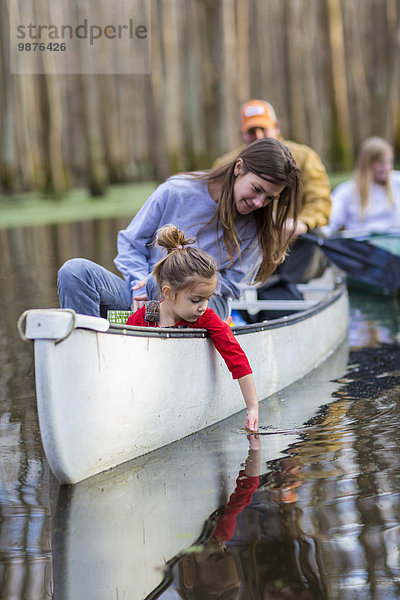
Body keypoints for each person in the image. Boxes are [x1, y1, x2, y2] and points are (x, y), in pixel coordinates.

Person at [58, 137, 302, 321]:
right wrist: (140, 284)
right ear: (239, 168)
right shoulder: (176, 191)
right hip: (145, 294)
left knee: (164, 283)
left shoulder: (260, 226)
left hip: (203, 308)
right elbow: (131, 244)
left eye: (270, 198)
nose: (260, 203)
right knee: (75, 272)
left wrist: (183, 286)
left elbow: (232, 286)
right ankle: (88, 349)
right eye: (257, 189)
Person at [126, 225, 259, 432]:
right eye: (196, 300)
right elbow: (123, 351)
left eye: (208, 299)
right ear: (168, 293)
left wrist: (252, 407)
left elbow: (237, 358)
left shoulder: (206, 318)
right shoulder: (143, 317)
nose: (203, 307)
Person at [214, 100, 332, 311]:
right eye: (251, 131)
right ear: (242, 135)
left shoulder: (305, 158)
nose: (258, 136)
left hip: (294, 244)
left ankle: (282, 290)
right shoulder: (226, 164)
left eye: (263, 128)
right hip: (248, 241)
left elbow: (320, 201)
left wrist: (302, 223)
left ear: (276, 128)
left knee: (316, 240)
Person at [324, 136, 400, 235]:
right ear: (367, 164)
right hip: (360, 247)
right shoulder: (347, 191)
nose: (386, 168)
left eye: (389, 162)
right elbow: (331, 221)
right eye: (381, 163)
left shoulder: (396, 182)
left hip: (394, 244)